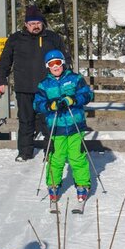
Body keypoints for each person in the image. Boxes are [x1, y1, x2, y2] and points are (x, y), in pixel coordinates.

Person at [0, 4, 66, 162]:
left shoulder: (53, 38)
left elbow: (64, 60)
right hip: (24, 87)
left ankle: (51, 152)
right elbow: (5, 60)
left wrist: (65, 81)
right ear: (26, 24)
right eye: (32, 23)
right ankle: (24, 152)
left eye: (38, 23)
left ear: (42, 23)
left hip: (48, 88)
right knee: (26, 121)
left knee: (50, 121)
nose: (35, 26)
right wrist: (1, 80)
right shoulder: (15, 39)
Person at [32, 49, 94, 210]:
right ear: (47, 66)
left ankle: (82, 185)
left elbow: (87, 95)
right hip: (56, 126)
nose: (55, 66)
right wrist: (49, 105)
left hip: (75, 125)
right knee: (56, 157)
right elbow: (36, 104)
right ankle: (53, 185)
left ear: (62, 63)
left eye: (58, 63)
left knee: (77, 157)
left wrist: (72, 99)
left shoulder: (75, 79)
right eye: (52, 64)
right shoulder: (44, 84)